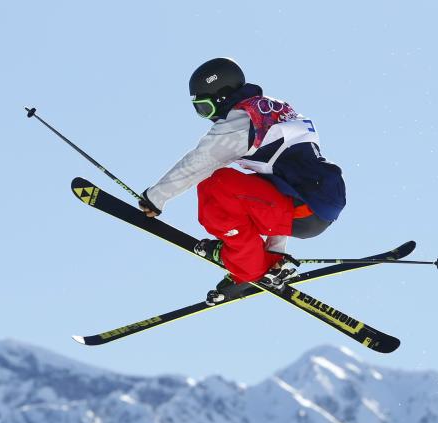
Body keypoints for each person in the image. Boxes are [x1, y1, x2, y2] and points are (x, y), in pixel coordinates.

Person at [137, 57, 346, 305]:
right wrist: (276, 253)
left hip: (304, 209)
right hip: (312, 207)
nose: (209, 118)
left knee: (215, 187)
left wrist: (156, 197)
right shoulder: (272, 111)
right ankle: (259, 262)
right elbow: (280, 186)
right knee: (243, 191)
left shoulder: (241, 120)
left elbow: (200, 161)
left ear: (221, 97)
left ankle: (249, 266)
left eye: (205, 108)